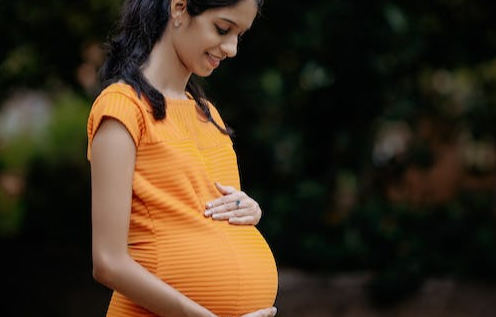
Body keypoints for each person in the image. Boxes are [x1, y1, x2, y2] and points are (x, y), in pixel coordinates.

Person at [86, 0, 278, 317]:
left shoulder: (208, 115)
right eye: (222, 28)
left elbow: (206, 218)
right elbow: (108, 263)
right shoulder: (122, 109)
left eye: (239, 35)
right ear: (179, 8)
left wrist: (248, 210)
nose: (231, 48)